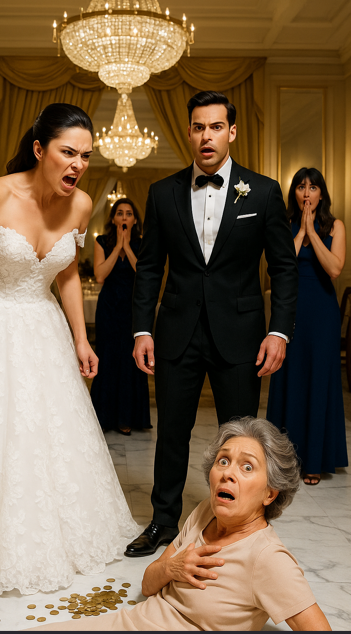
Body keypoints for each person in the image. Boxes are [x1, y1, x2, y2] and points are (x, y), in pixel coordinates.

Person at [0, 103, 139, 595]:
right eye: (68, 153)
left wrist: (81, 339)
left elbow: (67, 274)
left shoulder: (81, 205)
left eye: (86, 156)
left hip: (44, 330)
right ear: (41, 150)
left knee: (46, 436)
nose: (78, 165)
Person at [125, 90, 298, 556]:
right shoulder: (162, 193)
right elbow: (149, 268)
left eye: (216, 127)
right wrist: (142, 330)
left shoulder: (263, 191)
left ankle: (236, 526)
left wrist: (278, 331)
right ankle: (163, 522)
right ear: (189, 132)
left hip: (240, 335)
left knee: (240, 440)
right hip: (176, 333)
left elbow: (284, 268)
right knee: (171, 433)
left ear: (231, 132)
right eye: (199, 127)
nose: (207, 136)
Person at [29, 417, 331, 632]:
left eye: (247, 466)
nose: (227, 473)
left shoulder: (268, 558)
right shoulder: (205, 512)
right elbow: (148, 585)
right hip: (131, 622)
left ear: (269, 493)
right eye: (223, 461)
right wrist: (172, 567)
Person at [267, 167, 348, 485]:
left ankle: (314, 460)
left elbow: (334, 269)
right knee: (290, 378)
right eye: (301, 187)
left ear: (321, 194)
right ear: (294, 193)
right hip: (290, 311)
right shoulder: (283, 224)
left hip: (322, 313)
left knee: (318, 380)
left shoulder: (335, 226)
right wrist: (300, 230)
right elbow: (281, 264)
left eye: (313, 187)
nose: (306, 193)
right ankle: (282, 461)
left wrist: (313, 232)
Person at [91, 198, 151, 435]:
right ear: (113, 218)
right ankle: (104, 418)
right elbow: (100, 276)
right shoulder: (101, 241)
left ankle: (128, 418)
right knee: (107, 358)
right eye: (119, 213)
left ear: (135, 220)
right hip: (109, 308)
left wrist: (127, 247)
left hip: (133, 308)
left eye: (128, 213)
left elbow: (143, 274)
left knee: (130, 361)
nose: (124, 217)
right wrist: (117, 247)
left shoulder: (142, 243)